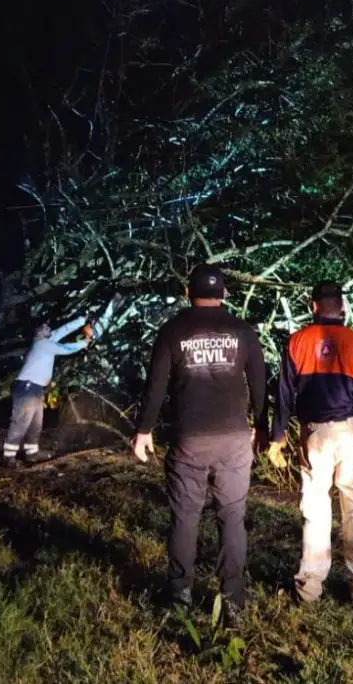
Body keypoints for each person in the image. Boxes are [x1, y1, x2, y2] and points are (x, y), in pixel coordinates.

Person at [132, 264, 267, 617]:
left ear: (187, 293)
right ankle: (234, 600)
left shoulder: (172, 330)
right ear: (224, 294)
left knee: (185, 518)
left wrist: (143, 430)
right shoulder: (242, 330)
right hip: (235, 440)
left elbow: (156, 386)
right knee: (233, 517)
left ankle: (180, 596)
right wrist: (264, 427)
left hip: (189, 439)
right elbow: (259, 384)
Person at [264, 282, 353, 606]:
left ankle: (309, 589)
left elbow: (285, 396)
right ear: (341, 306)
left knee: (315, 510)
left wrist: (278, 437)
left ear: (313, 305)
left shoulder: (297, 341)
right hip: (351, 433)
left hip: (314, 433)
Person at [3, 294, 121, 465]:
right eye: (44, 328)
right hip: (27, 388)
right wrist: (83, 343)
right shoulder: (42, 344)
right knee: (21, 422)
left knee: (36, 423)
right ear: (38, 334)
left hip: (34, 389)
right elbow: (65, 348)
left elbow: (63, 330)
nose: (48, 328)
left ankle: (31, 453)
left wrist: (82, 320)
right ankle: (9, 456)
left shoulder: (44, 341)